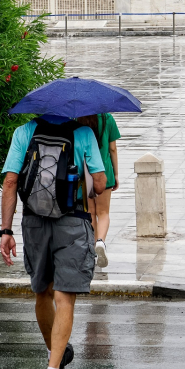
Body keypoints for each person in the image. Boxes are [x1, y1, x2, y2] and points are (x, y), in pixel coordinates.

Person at [0, 114, 106, 369]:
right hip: (73, 222)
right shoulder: (83, 133)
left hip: (34, 222)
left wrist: (6, 230)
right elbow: (99, 183)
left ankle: (54, 353)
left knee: (43, 292)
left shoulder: (24, 131)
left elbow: (10, 182)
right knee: (65, 297)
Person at [76, 113, 120, 268]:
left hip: (85, 172)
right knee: (104, 213)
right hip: (104, 172)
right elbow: (112, 148)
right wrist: (115, 173)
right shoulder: (107, 118)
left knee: (91, 213)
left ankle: (92, 247)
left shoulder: (77, 119)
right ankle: (101, 242)